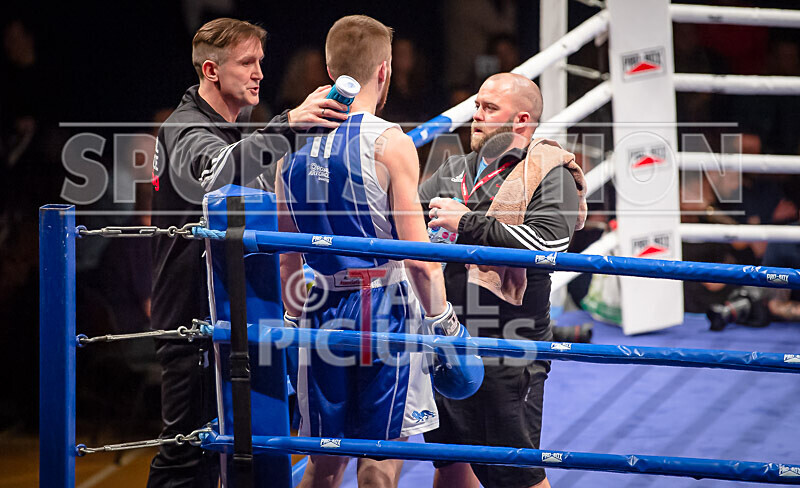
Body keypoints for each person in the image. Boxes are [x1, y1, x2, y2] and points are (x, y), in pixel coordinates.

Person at [148, 17, 349, 487]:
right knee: (187, 454)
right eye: (246, 62)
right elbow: (217, 174)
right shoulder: (185, 128)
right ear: (212, 71)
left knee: (240, 456)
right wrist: (290, 124)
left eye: (260, 61)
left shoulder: (236, 130)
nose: (259, 71)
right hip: (195, 318)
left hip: (240, 315)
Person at [276, 15, 464, 488]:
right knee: (380, 458)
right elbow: (418, 258)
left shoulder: (287, 149)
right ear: (384, 70)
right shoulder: (390, 143)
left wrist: (296, 327)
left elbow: (286, 256)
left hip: (318, 309)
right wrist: (445, 327)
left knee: (322, 460)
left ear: (328, 66)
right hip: (385, 307)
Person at [419, 73, 585, 488]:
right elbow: (408, 226)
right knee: (451, 461)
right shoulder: (454, 169)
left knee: (515, 474)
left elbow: (548, 242)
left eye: (489, 108)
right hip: (449, 336)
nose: (476, 115)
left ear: (522, 121)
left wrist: (467, 223)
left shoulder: (550, 171)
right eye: (476, 105)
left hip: (510, 347)